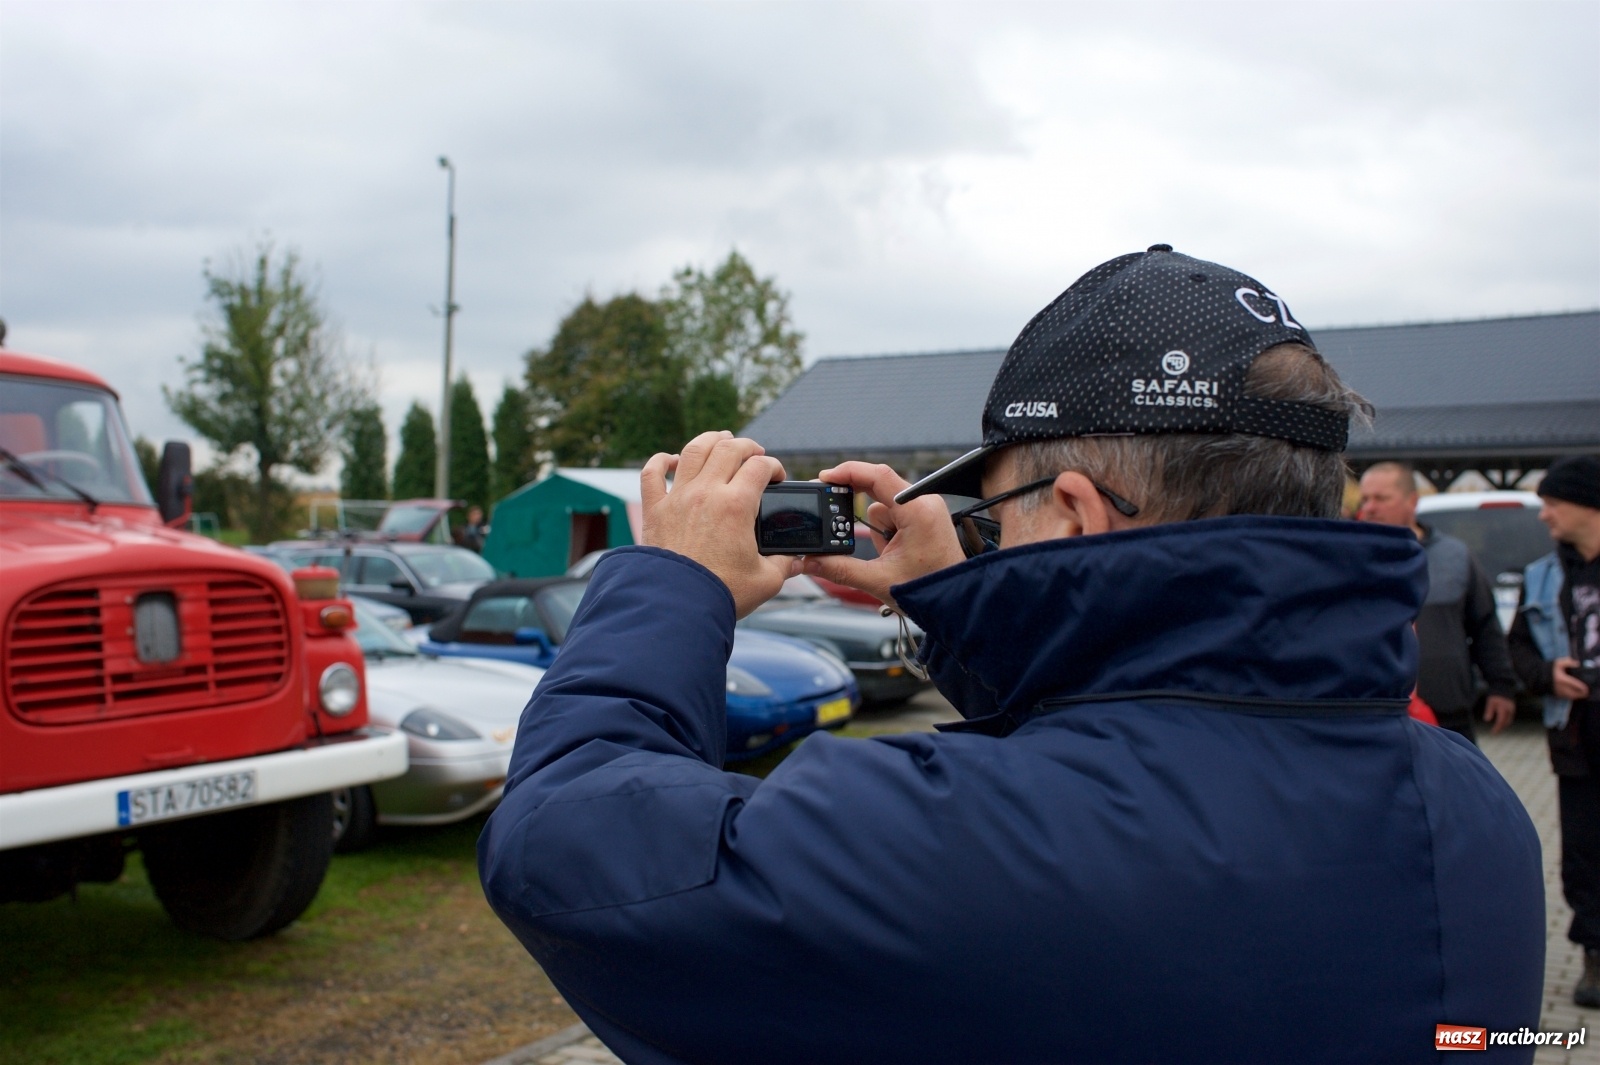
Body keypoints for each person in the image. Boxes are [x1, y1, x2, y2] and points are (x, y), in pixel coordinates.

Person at [479, 246, 1544, 1063]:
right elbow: (1145, 741)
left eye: (1004, 510)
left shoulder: (942, 847)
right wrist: (967, 609)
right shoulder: (1470, 810)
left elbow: (561, 839)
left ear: (1075, 516)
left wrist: (674, 581)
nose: (990, 532)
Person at [1506, 454, 1600, 1007]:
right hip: (1575, 736)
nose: (1545, 516)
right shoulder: (1545, 574)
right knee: (1585, 851)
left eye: (1553, 503)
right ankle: (1593, 956)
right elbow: (1517, 644)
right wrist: (1547, 675)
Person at [1356, 461, 1520, 743]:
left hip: (1448, 715)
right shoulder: (1349, 561)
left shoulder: (1454, 556)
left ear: (1413, 501)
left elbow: (1484, 627)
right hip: (1371, 714)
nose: (1370, 508)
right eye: (1365, 499)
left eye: (1381, 499)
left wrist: (1501, 687)